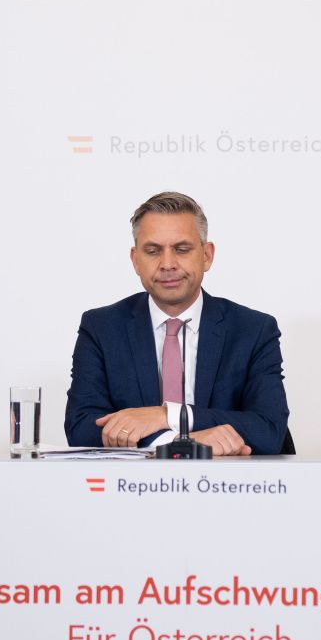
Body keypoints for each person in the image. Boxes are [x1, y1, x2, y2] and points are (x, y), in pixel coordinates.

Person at [66, 192, 290, 456]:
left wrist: (167, 415)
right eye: (153, 251)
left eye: (182, 249)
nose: (168, 264)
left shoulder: (253, 330)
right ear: (135, 260)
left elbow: (269, 430)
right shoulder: (101, 328)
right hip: (132, 490)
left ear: (207, 256)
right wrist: (178, 440)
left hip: (227, 489)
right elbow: (81, 428)